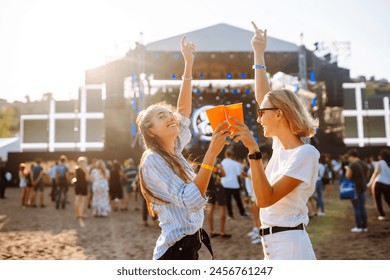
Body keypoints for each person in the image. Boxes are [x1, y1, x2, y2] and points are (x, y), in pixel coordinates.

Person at [228, 22, 319, 260]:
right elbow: (264, 98)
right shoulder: (283, 146)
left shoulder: (305, 154)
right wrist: (258, 53)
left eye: (262, 114)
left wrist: (254, 151)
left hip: (291, 246)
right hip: (273, 243)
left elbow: (265, 199)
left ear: (279, 113)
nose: (259, 119)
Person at [136, 37, 228, 260]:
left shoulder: (173, 150)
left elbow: (183, 113)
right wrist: (211, 155)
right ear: (150, 130)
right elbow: (191, 199)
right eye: (161, 116)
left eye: (169, 114)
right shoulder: (153, 159)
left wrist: (188, 65)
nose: (170, 117)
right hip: (174, 253)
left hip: (188, 247)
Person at [345, 149, 369, 232]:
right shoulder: (364, 164)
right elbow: (367, 175)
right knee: (362, 207)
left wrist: (346, 170)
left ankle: (358, 226)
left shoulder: (352, 165)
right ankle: (364, 226)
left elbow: (348, 176)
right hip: (363, 186)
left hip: (355, 188)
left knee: (356, 207)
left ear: (351, 156)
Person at [206, 159, 231, 238]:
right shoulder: (216, 164)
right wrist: (219, 166)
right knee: (222, 208)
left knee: (210, 209)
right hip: (218, 188)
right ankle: (222, 232)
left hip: (209, 189)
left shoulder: (207, 163)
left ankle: (211, 231)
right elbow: (224, 174)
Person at [221, 148, 247, 219]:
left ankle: (230, 214)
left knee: (228, 200)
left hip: (225, 184)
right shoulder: (236, 163)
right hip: (234, 184)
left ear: (225, 154)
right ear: (232, 155)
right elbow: (238, 174)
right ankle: (242, 213)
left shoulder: (222, 163)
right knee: (238, 200)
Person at [367, 149, 390, 221]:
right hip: (388, 184)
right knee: (388, 199)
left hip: (379, 183)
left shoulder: (380, 163)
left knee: (378, 200)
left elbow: (375, 173)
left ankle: (382, 215)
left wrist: (370, 183)